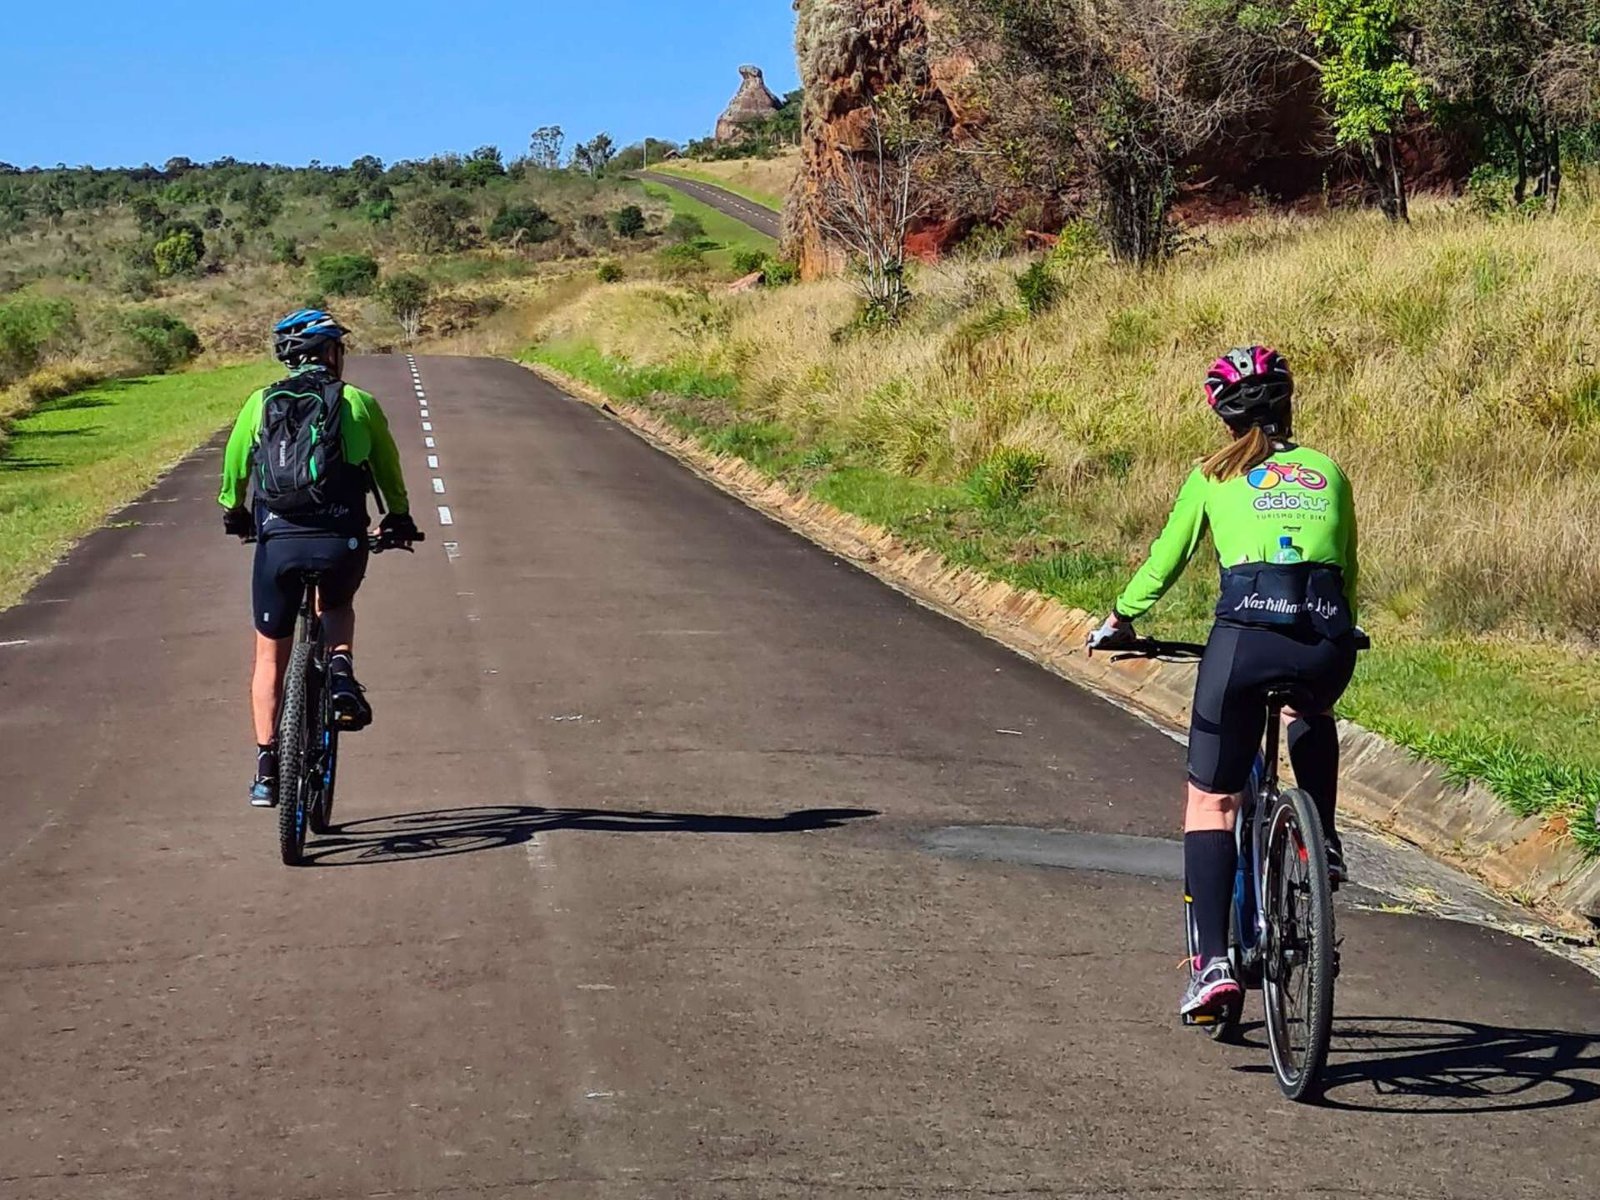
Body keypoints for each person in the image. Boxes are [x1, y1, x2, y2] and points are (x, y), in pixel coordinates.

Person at [1086, 346, 1359, 1021]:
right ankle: (1319, 838)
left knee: (1211, 801)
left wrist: (1121, 618)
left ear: (1221, 416)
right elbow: (1347, 568)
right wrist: (1338, 633)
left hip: (1245, 643)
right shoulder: (1328, 471)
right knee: (1308, 705)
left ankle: (1212, 966)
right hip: (1326, 638)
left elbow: (1166, 560)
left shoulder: (1211, 475)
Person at [219, 310, 416, 806]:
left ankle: (267, 769)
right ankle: (343, 670)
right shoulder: (357, 403)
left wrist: (235, 514)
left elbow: (234, 472)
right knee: (338, 603)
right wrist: (398, 517)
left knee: (269, 657)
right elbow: (388, 471)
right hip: (339, 540)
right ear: (331, 353)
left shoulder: (258, 404)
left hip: (277, 544)